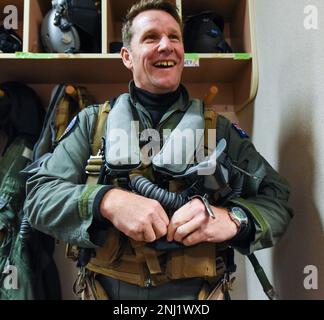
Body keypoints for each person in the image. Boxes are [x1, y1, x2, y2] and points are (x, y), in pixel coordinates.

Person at [24, 0, 293, 300]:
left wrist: (232, 220)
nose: (166, 46)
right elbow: (38, 197)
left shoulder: (218, 130)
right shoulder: (92, 124)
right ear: (127, 55)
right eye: (151, 37)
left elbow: (278, 200)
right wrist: (105, 201)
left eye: (174, 37)